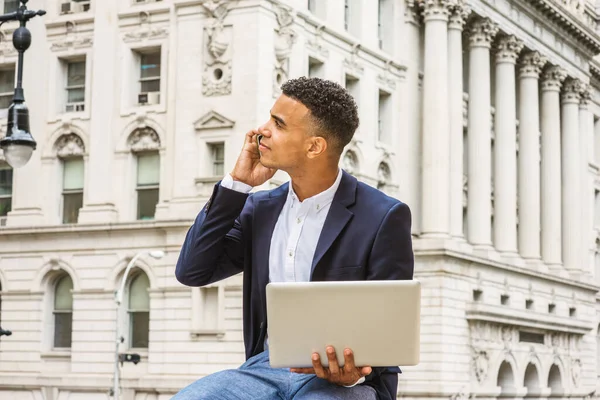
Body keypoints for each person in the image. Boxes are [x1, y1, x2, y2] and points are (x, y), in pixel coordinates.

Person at [173, 77, 414, 400]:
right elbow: (192, 271)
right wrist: (237, 185)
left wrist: (353, 374)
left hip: (348, 381)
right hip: (266, 367)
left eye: (278, 124)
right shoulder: (260, 209)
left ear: (314, 146)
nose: (261, 131)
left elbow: (389, 327)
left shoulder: (384, 216)